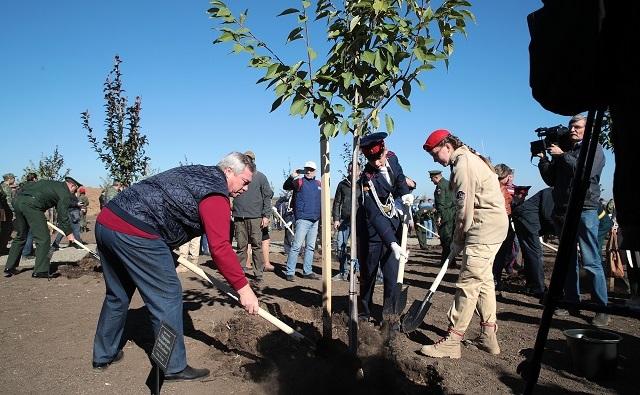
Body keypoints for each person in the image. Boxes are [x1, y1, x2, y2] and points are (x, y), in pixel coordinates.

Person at [92, 152, 259, 381]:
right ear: (229, 171)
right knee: (168, 297)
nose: (246, 188)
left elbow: (168, 206)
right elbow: (220, 248)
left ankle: (103, 354)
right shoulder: (215, 193)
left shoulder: (198, 173)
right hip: (136, 231)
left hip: (107, 221)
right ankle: (173, 366)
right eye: (245, 182)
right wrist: (244, 288)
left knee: (117, 294)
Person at [420, 129, 507, 359]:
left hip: (484, 227)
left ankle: (453, 339)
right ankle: (489, 335)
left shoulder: (463, 165)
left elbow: (464, 210)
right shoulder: (470, 158)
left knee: (468, 281)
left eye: (435, 153)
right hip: (493, 226)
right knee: (484, 279)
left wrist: (457, 240)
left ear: (446, 146)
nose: (435, 159)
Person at [537, 114, 609, 327]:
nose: (573, 130)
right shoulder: (566, 149)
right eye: (571, 126)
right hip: (563, 211)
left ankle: (600, 308)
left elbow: (584, 172)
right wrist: (543, 160)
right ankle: (572, 302)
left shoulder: (593, 149)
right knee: (566, 262)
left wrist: (563, 156)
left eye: (577, 126)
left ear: (588, 129)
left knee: (591, 260)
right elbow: (551, 179)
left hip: (584, 209)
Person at [356, 132, 412, 324]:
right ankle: (364, 313)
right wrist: (393, 243)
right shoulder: (367, 180)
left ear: (384, 150)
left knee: (392, 276)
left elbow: (399, 178)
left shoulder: (392, 158)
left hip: (393, 228)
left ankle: (390, 319)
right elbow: (374, 215)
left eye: (379, 158)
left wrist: (404, 194)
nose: (377, 164)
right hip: (372, 232)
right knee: (368, 275)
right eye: (372, 160)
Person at [3, 176, 81, 278]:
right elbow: (63, 215)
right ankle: (40, 270)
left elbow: (26, 187)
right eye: (76, 189)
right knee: (43, 238)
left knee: (21, 235)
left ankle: (10, 267)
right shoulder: (64, 192)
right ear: (72, 185)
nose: (74, 192)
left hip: (18, 202)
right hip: (32, 206)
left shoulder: (50, 183)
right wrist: (69, 233)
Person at [232, 150, 273, 282]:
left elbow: (268, 196)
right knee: (241, 247)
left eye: (250, 159)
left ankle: (258, 274)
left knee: (256, 246)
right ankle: (239, 274)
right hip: (239, 217)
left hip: (256, 217)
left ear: (254, 161)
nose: (248, 160)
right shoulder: (236, 175)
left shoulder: (260, 177)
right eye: (246, 158)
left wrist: (266, 215)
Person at [511, 187, 555, 299]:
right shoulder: (551, 192)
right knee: (535, 254)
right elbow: (547, 214)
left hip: (526, 218)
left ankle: (531, 284)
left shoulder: (553, 192)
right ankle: (538, 288)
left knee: (529, 253)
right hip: (526, 218)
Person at [283, 161, 322, 281]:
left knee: (310, 247)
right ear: (304, 169)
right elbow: (286, 187)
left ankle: (308, 271)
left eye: (311, 169)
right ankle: (290, 271)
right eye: (307, 169)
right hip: (303, 219)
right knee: (296, 246)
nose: (309, 171)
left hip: (315, 220)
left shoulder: (318, 183)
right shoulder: (299, 182)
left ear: (315, 171)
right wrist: (292, 176)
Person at [332, 162, 360, 281]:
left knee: (358, 247)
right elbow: (337, 202)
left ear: (359, 171)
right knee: (341, 246)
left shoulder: (364, 183)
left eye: (354, 170)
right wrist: (336, 219)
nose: (351, 172)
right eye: (349, 170)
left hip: (359, 221)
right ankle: (343, 272)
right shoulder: (342, 184)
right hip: (344, 221)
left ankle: (356, 273)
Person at [492, 164, 517, 294]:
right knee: (501, 254)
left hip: (495, 225)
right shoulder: (501, 189)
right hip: (501, 224)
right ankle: (495, 279)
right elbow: (505, 207)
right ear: (505, 176)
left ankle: (495, 278)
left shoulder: (490, 186)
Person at [428, 170, 456, 265]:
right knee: (450, 239)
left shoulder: (440, 186)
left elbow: (441, 203)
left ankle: (447, 262)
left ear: (436, 177)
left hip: (445, 215)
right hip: (452, 214)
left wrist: (439, 216)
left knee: (445, 239)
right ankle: (451, 261)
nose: (432, 181)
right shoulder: (449, 183)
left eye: (432, 179)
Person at [0, 173, 17, 254]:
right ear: (9, 179)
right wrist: (14, 210)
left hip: (4, 211)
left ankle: (3, 247)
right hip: (7, 212)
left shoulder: (2, 186)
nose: (14, 180)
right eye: (14, 178)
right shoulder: (6, 188)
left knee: (6, 230)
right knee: (6, 230)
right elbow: (9, 202)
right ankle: (2, 248)